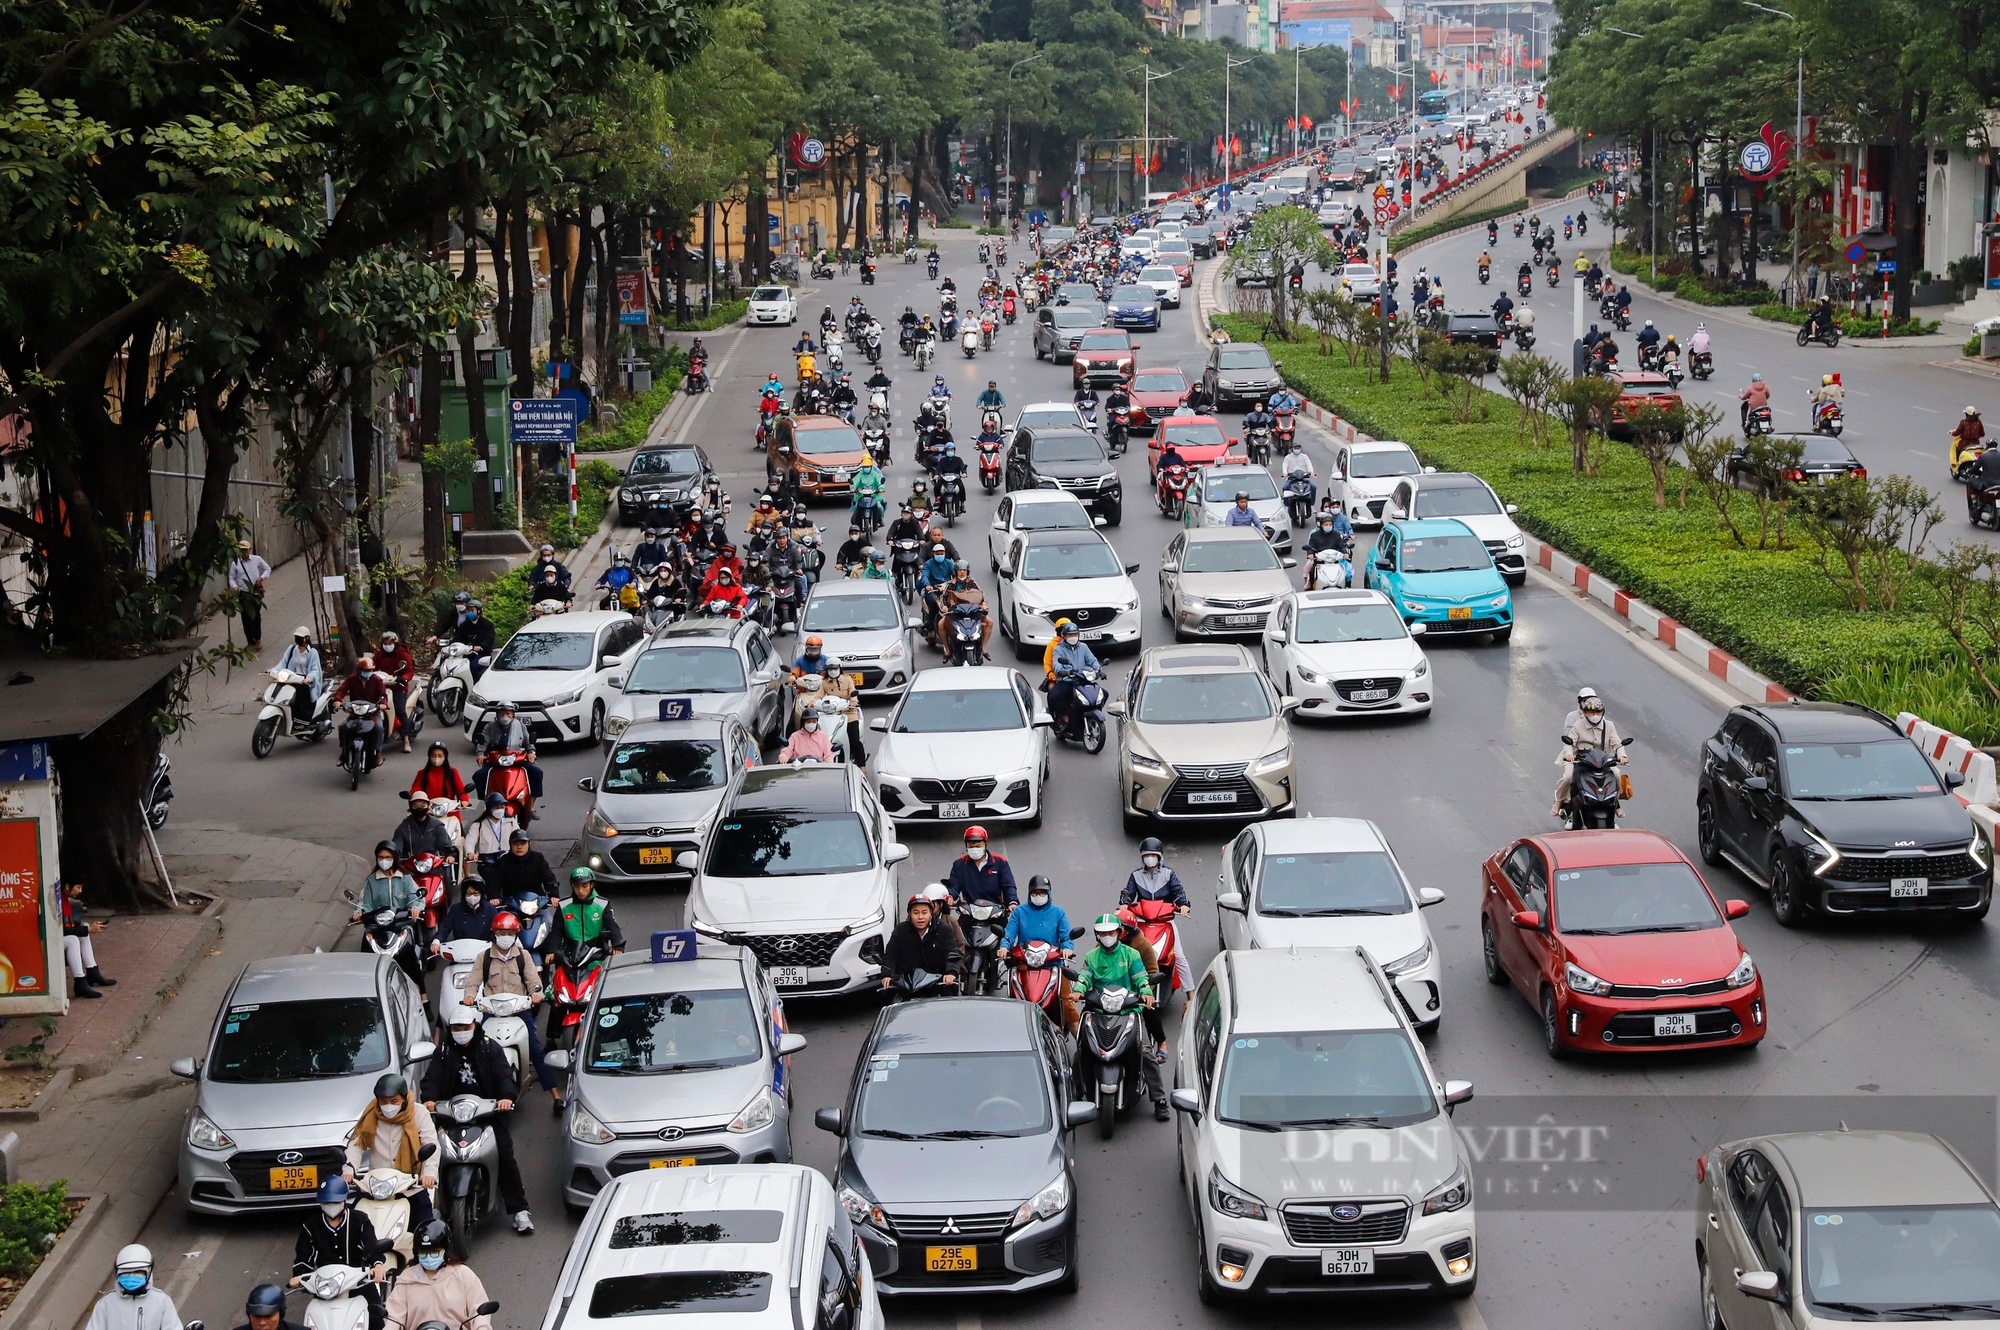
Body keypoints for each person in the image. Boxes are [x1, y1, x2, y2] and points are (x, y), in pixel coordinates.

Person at [422, 1004, 532, 1234]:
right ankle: (434, 1207)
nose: (460, 1031)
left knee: (505, 1155)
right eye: (456, 1027)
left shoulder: (489, 1048)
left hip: (488, 1114)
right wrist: (429, 1099)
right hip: (450, 1115)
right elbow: (432, 1078)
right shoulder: (443, 1051)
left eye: (465, 1026)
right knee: (433, 1155)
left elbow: (504, 1076)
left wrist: (504, 1097)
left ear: (475, 1026)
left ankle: (519, 1209)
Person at [1071, 914, 1161, 1118]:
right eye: (1103, 933)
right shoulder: (1091, 956)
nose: (1107, 936)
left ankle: (1160, 1099)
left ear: (1119, 933)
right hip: (1098, 1012)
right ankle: (1075, 1093)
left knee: (1145, 1052)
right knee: (1080, 1052)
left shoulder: (1131, 955)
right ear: (1097, 935)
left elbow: (1141, 978)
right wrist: (1077, 990)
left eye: (1111, 932)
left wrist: (1146, 993)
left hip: (1128, 1012)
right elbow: (1084, 976)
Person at [343, 1074, 439, 1232]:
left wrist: (428, 1174)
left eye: (394, 1101)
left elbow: (431, 1144)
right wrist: (349, 1170)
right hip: (377, 1185)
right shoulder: (370, 1114)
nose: (388, 1106)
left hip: (410, 1185)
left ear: (404, 1098)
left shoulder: (419, 1112)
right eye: (383, 1101)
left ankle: (424, 1256)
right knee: (354, 1224)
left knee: (425, 1228)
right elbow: (356, 1144)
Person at [289, 1182, 385, 1329]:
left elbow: (371, 1246)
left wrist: (377, 1265)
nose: (331, 1205)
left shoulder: (360, 1220)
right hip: (326, 1286)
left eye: (335, 1201)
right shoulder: (311, 1225)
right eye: (327, 1202)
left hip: (359, 1282)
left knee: (376, 1320)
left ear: (344, 1200)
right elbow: (303, 1258)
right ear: (320, 1203)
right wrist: (299, 1276)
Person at [998, 875, 1078, 1032]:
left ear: (1049, 894)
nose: (1038, 896)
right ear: (1029, 894)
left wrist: (1067, 948)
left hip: (1052, 964)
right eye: (1035, 893)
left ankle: (1082, 1045)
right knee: (1012, 1000)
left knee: (1067, 1003)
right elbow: (1009, 933)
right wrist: (1004, 946)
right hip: (1025, 965)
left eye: (1042, 893)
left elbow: (1066, 937)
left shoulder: (1058, 913)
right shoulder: (1020, 912)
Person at [383, 1222, 492, 1330]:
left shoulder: (463, 1275)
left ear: (446, 1250)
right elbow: (394, 1317)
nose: (429, 1257)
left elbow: (479, 1311)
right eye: (423, 1252)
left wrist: (482, 1327)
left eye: (434, 1252)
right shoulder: (407, 1278)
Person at [355, 843, 426, 985]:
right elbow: (365, 903)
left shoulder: (405, 878)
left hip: (401, 925)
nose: (384, 860)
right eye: (381, 857)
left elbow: (415, 898)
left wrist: (415, 908)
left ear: (395, 858)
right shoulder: (371, 881)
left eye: (388, 857)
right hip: (378, 927)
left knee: (410, 960)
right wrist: (359, 913)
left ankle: (423, 996)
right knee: (364, 957)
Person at [1553, 690, 1628, 818]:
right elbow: (1569, 743)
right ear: (1585, 712)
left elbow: (1617, 743)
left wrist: (1622, 756)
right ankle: (1559, 802)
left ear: (1602, 712)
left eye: (1598, 712)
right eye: (1591, 712)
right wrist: (1569, 755)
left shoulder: (1608, 725)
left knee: (1616, 776)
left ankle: (1615, 803)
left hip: (1601, 760)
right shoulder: (1577, 725)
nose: (1595, 715)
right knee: (1569, 778)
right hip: (1579, 759)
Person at [87, 1246, 183, 1330]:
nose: (131, 1277)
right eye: (125, 1273)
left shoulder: (162, 1301)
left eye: (138, 1272)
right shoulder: (106, 1304)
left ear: (149, 1273)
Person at [882, 892, 960, 993]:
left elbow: (952, 953)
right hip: (906, 986)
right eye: (916, 913)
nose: (920, 917)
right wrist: (887, 974)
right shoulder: (901, 930)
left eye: (924, 912)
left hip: (937, 985)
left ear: (931, 913)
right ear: (909, 913)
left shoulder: (944, 930)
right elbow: (891, 955)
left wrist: (951, 972)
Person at [472, 701, 543, 812]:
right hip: (495, 760)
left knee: (536, 772)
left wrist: (531, 753)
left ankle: (531, 806)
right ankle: (486, 801)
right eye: (502, 714)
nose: (505, 716)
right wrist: (480, 754)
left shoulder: (520, 725)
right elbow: (483, 742)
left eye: (508, 714)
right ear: (497, 714)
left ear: (513, 714)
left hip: (517, 759)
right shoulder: (490, 726)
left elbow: (528, 742)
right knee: (479, 776)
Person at [483, 830, 558, 924]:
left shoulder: (538, 858)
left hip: (537, 904)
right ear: (510, 845)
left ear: (528, 843)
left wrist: (554, 895)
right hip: (511, 905)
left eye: (523, 843)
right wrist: (494, 896)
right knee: (501, 925)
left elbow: (548, 877)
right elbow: (494, 881)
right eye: (515, 844)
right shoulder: (503, 861)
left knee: (549, 924)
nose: (519, 847)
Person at [331, 653, 392, 760]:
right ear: (359, 670)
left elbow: (383, 695)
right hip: (355, 711)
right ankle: (344, 751)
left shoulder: (376, 680)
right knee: (343, 727)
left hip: (372, 711)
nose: (368, 673)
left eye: (370, 670)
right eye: (366, 670)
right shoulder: (351, 679)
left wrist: (383, 704)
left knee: (379, 728)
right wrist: (337, 701)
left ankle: (378, 752)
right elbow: (341, 691)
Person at [947, 825, 1017, 915]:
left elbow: (1009, 886)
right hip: (969, 913)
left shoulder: (1000, 862)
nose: (974, 849)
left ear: (985, 844)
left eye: (978, 846)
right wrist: (950, 897)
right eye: (971, 847)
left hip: (995, 912)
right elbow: (953, 886)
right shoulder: (959, 864)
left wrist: (1012, 902)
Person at [1048, 622, 1099, 740]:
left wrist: (1098, 669)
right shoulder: (1058, 649)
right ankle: (1063, 718)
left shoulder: (1083, 647)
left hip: (1082, 679)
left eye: (1075, 634)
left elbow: (1092, 660)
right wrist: (1062, 671)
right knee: (1057, 695)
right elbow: (1056, 664)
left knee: (1102, 693)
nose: (1073, 637)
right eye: (1070, 635)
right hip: (1066, 680)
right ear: (1064, 636)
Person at [372, 630, 418, 750]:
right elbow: (373, 667)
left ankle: (406, 740)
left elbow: (409, 671)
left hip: (398, 687)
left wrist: (403, 679)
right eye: (385, 644)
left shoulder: (402, 654)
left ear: (395, 643)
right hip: (382, 685)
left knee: (400, 711)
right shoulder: (379, 654)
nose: (387, 646)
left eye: (389, 643)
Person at [227, 539, 273, 649]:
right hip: (243, 594)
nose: (244, 552)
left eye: (246, 550)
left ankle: (258, 640)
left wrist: (261, 578)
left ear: (250, 550)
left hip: (255, 592)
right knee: (245, 618)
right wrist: (234, 586)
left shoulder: (257, 559)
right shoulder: (235, 563)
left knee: (256, 616)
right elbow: (231, 577)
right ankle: (250, 640)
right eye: (241, 550)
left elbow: (267, 569)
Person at [391, 792, 457, 867]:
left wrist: (450, 855)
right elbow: (397, 845)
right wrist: (393, 855)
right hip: (411, 866)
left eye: (423, 806)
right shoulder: (404, 826)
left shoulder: (437, 825)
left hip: (432, 865)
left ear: (428, 806)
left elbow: (445, 843)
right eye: (415, 806)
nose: (419, 809)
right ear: (410, 807)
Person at [432, 878, 496, 955]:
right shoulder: (456, 909)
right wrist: (436, 941)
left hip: (484, 953)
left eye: (476, 893)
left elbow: (497, 930)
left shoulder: (490, 909)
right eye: (469, 893)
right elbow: (444, 928)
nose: (472, 896)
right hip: (460, 953)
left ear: (481, 894)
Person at [275, 626, 325, 723]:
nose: (298, 639)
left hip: (305, 680)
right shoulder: (292, 649)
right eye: (297, 636)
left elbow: (315, 670)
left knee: (300, 696)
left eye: (301, 637)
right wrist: (273, 670)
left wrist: (310, 678)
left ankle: (303, 721)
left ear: (307, 638)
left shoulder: (312, 652)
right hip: (292, 678)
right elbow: (283, 663)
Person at [466, 790, 516, 871]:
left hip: (508, 863)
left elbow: (519, 838)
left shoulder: (511, 822)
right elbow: (470, 841)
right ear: (489, 809)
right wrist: (470, 853)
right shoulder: (478, 825)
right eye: (497, 808)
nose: (500, 810)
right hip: (487, 864)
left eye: (502, 807)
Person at [408, 741, 468, 807]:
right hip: (428, 810)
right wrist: (412, 796)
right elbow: (415, 790)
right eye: (433, 755)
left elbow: (461, 790)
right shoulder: (422, 773)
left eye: (440, 756)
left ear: (445, 757)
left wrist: (464, 800)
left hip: (450, 809)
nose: (436, 758)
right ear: (429, 757)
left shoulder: (453, 772)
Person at [1280, 438, 1316, 507]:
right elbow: (1284, 466)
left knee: (1313, 487)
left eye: (1298, 448)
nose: (1297, 449)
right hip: (1292, 479)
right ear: (1292, 448)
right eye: (1295, 448)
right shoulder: (1288, 457)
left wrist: (1311, 472)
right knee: (1285, 488)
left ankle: (1311, 504)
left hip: (1303, 478)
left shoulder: (1304, 457)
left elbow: (1309, 465)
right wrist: (1285, 473)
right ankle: (1286, 506)